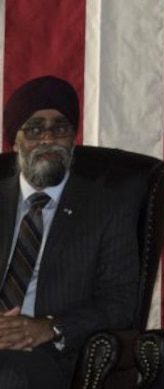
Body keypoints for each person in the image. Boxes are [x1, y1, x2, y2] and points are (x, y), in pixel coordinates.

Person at [0, 76, 139, 389]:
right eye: (34, 128)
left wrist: (50, 328)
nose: (48, 138)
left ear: (72, 138)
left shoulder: (107, 208)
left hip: (51, 354)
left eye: (60, 128)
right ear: (15, 141)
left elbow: (120, 301)